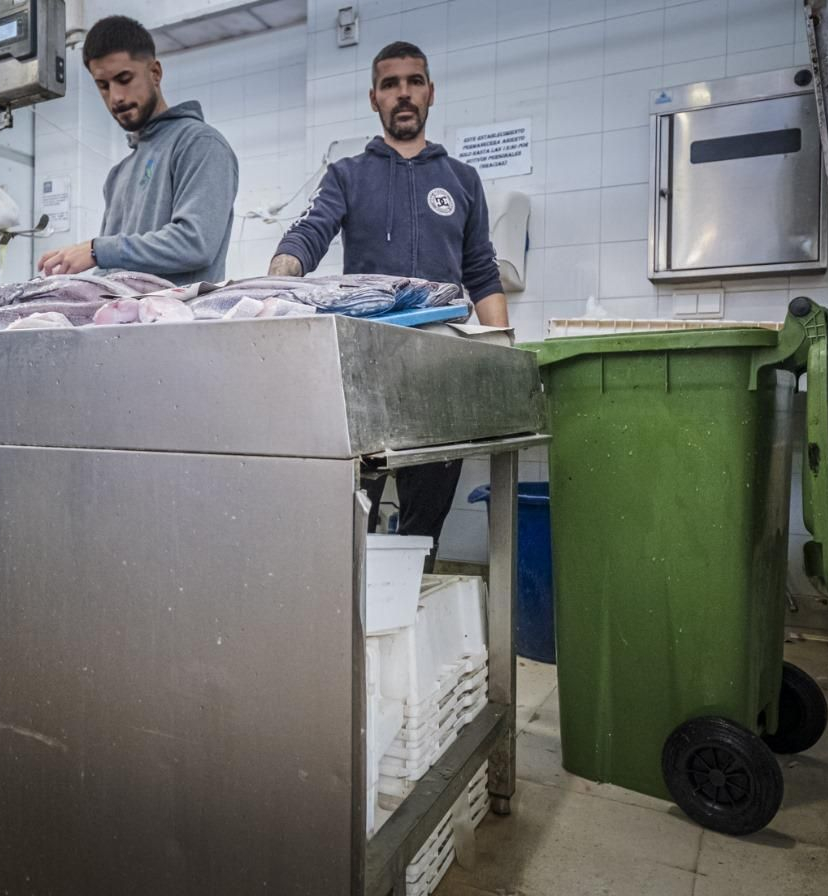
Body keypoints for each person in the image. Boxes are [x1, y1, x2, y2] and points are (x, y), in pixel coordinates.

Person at [269, 40, 509, 556]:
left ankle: (407, 613)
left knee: (424, 531)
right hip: (367, 376)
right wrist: (276, 282)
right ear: (374, 98)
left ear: (431, 93)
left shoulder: (462, 180)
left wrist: (506, 355)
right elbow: (309, 233)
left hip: (443, 375)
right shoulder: (348, 175)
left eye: (414, 82)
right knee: (353, 524)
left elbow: (482, 274)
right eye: (390, 84)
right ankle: (355, 631)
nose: (403, 94)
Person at [36, 16, 238, 286]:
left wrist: (97, 250)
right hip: (123, 325)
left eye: (124, 78)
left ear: (155, 73)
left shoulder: (200, 144)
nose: (115, 97)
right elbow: (112, 272)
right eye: (103, 85)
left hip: (179, 324)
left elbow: (195, 244)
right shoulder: (119, 174)